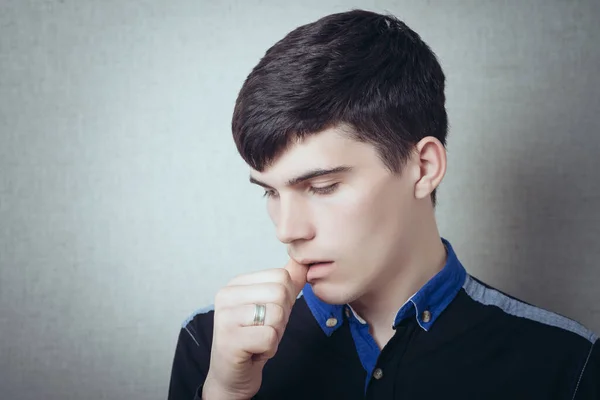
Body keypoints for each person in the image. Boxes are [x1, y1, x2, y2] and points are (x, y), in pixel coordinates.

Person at [168, 9, 599, 400]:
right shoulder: (213, 346)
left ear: (424, 167)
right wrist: (224, 391)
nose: (288, 230)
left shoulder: (569, 363)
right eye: (271, 192)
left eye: (322, 187)